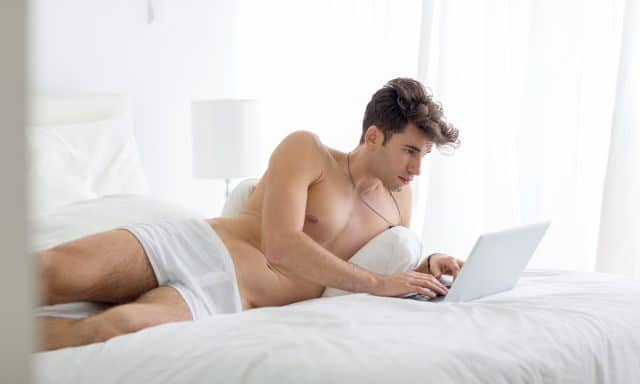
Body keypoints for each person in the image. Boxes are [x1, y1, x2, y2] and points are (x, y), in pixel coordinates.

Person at [37, 78, 463, 351]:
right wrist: (377, 283)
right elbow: (281, 245)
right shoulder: (308, 151)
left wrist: (424, 269)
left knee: (111, 331)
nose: (417, 169)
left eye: (424, 156)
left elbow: (376, 264)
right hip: (194, 245)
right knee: (47, 272)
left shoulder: (398, 203)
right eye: (410, 151)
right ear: (373, 137)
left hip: (228, 298)